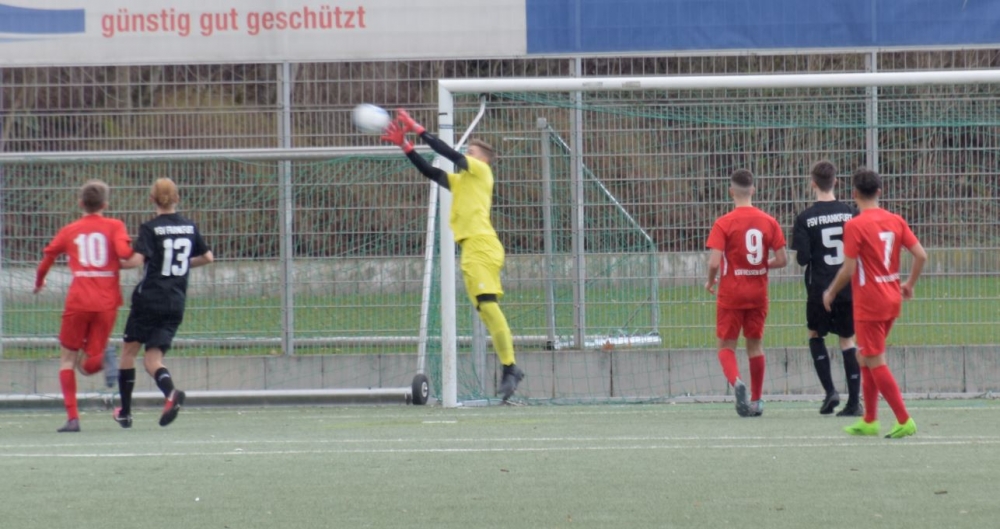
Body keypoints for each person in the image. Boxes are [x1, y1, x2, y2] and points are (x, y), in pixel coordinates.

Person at [381, 109, 525, 403]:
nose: (465, 154)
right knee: (486, 310)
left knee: (488, 305)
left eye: (471, 151)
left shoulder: (482, 171)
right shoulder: (463, 182)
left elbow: (448, 153)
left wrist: (418, 129)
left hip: (481, 246)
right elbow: (432, 172)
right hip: (472, 249)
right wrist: (405, 146)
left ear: (481, 159)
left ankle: (511, 368)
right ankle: (509, 367)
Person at [823, 168, 926, 439]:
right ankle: (869, 419)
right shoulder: (895, 220)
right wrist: (910, 285)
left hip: (870, 302)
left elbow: (848, 268)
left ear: (854, 193)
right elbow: (921, 255)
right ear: (879, 191)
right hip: (892, 298)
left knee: (874, 359)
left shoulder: (855, 225)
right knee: (864, 356)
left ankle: (904, 420)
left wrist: (831, 291)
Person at [34, 180, 138, 433]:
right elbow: (125, 254)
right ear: (105, 204)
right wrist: (135, 254)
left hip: (79, 300)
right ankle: (106, 357)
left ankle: (73, 418)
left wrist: (40, 281)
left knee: (68, 360)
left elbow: (48, 257)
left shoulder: (71, 230)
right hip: (106, 303)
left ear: (80, 203)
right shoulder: (115, 226)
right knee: (88, 362)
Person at [113, 178, 213, 428]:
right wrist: (179, 267)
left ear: (151, 199)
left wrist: (111, 263)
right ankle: (170, 393)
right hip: (175, 301)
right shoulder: (189, 227)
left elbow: (136, 261)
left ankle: (125, 412)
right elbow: (208, 257)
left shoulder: (150, 228)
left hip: (149, 298)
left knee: (129, 353)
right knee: (153, 360)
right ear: (177, 198)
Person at [705, 169, 787, 417]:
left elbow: (714, 262)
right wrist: (763, 265)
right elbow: (783, 259)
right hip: (757, 293)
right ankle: (757, 399)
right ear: (753, 190)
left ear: (731, 192)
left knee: (726, 345)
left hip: (731, 293)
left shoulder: (724, 223)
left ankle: (736, 382)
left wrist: (710, 282)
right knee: (756, 345)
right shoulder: (769, 221)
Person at [791, 161, 862, 416]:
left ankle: (830, 391)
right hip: (846, 288)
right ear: (836, 182)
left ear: (813, 184)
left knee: (815, 335)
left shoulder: (805, 218)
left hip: (819, 288)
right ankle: (854, 402)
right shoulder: (851, 213)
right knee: (847, 339)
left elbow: (802, 259)